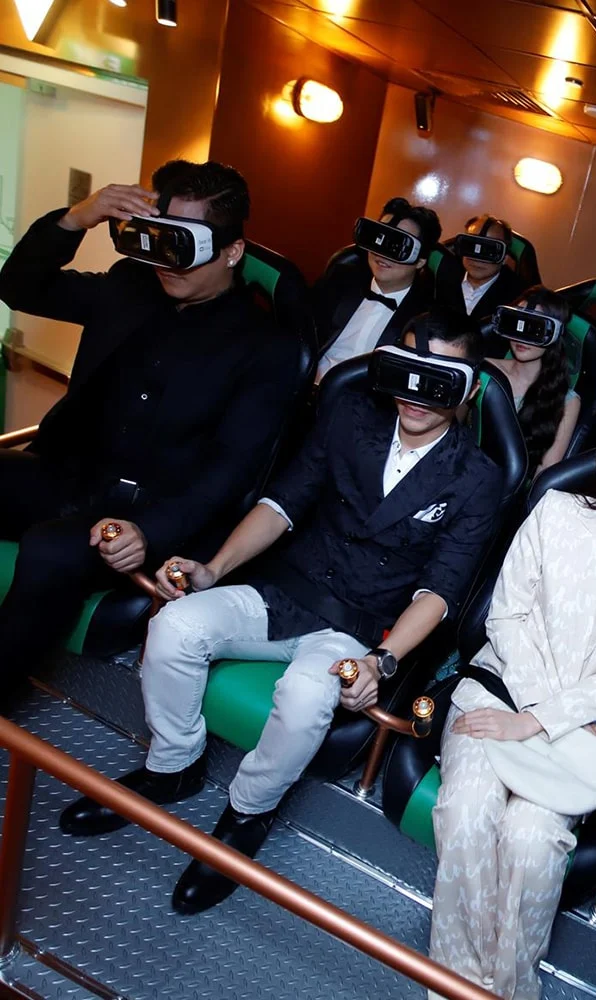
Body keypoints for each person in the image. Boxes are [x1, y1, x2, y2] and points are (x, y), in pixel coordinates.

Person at [58, 310, 502, 915]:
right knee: (174, 626)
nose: (417, 392)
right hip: (287, 590)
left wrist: (383, 660)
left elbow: (441, 590)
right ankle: (172, 765)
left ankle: (247, 812)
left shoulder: (477, 477)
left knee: (304, 696)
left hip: (359, 625)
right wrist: (214, 568)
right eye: (407, 370)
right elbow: (284, 501)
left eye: (439, 379)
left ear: (469, 389)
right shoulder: (351, 416)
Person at [429, 398, 596, 1000]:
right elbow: (505, 617)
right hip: (500, 693)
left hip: (585, 731)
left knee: (532, 843)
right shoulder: (556, 510)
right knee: (467, 812)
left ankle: (510, 988)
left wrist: (547, 721)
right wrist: (532, 715)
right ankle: (456, 983)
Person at [0, 160, 301, 695]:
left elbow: (230, 470)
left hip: (146, 511)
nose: (169, 261)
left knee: (50, 549)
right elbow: (20, 287)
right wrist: (77, 218)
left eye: (187, 245)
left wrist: (152, 532)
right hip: (70, 475)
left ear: (232, 251)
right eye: (163, 238)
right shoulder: (129, 285)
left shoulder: (267, 347)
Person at [312, 197, 440, 382]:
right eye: (381, 239)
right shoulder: (339, 281)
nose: (383, 254)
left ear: (420, 260)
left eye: (397, 246)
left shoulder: (427, 318)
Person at [490, 286, 580, 476]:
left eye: (535, 328)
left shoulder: (567, 401)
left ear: (555, 333)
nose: (522, 337)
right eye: (518, 323)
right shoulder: (486, 370)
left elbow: (545, 472)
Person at [440, 214, 528, 327]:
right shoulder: (438, 282)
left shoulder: (519, 299)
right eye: (472, 246)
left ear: (505, 257)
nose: (478, 258)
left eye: (489, 250)